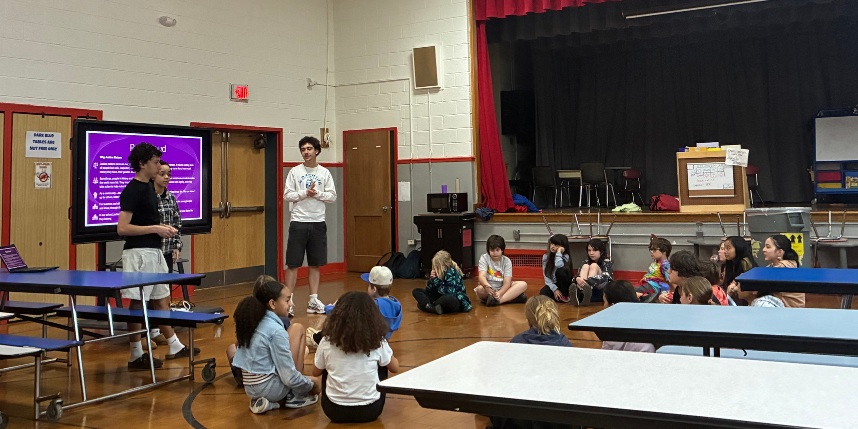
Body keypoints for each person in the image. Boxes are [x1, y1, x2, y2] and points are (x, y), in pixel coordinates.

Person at [117, 143, 194, 369]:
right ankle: (135, 353)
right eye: (155, 162)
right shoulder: (132, 190)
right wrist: (155, 228)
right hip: (138, 253)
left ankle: (174, 344)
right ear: (142, 164)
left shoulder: (150, 189)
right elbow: (122, 228)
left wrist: (160, 229)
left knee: (162, 299)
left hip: (154, 251)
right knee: (138, 303)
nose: (159, 166)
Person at [228, 276, 320, 414]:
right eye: (287, 300)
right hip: (268, 388)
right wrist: (310, 384)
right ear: (272, 303)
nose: (291, 304)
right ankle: (292, 397)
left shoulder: (253, 320)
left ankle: (270, 403)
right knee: (314, 384)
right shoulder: (276, 330)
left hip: (250, 389)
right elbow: (289, 377)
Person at [312, 291, 400, 424]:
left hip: (334, 411)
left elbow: (315, 372)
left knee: (326, 367)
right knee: (383, 365)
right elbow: (395, 368)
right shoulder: (378, 342)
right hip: (371, 410)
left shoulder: (326, 341)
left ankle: (339, 396)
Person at [491, 296, 573, 429]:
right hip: (555, 416)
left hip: (520, 415)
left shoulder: (517, 342)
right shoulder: (565, 344)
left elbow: (505, 379)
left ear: (528, 321)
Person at [283, 136, 337, 316]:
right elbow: (287, 195)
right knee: (293, 263)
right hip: (298, 222)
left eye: (309, 149)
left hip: (318, 222)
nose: (306, 152)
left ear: (317, 151)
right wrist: (305, 193)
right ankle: (288, 301)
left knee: (315, 263)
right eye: (303, 149)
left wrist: (317, 194)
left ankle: (313, 300)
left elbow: (332, 196)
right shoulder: (294, 172)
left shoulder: (325, 173)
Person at [307, 266, 403, 348]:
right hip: (381, 340)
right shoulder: (396, 304)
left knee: (342, 322)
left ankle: (318, 338)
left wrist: (331, 308)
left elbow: (346, 314)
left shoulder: (371, 305)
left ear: (374, 289)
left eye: (369, 285)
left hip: (364, 341)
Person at [150, 160, 182, 347]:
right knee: (150, 292)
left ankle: (159, 329)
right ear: (154, 175)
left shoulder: (171, 197)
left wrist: (177, 245)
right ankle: (151, 331)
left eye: (169, 173)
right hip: (152, 251)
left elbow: (178, 222)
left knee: (163, 292)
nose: (166, 177)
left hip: (167, 251)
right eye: (162, 173)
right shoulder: (148, 197)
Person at [733, 234, 804, 308]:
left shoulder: (785, 268)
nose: (763, 249)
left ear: (780, 252)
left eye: (768, 247)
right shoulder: (772, 267)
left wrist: (739, 284)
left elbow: (759, 280)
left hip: (789, 310)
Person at [601, 281, 655, 352]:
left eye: (604, 302)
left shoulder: (611, 334)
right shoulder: (647, 320)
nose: (603, 306)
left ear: (612, 306)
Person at [412, 250, 472, 315]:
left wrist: (436, 280)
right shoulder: (438, 273)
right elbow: (429, 291)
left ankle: (428, 306)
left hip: (454, 299)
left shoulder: (452, 273)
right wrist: (431, 281)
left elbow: (448, 292)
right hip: (439, 298)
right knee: (416, 291)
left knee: (448, 299)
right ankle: (432, 307)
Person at [476, 235, 528, 306]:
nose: (495, 253)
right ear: (488, 250)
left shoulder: (507, 261)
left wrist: (500, 293)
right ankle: (511, 298)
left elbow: (507, 283)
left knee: (523, 284)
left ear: (502, 250)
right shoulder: (484, 258)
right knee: (479, 290)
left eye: (497, 250)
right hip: (489, 288)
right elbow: (482, 276)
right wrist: (487, 287)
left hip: (503, 288)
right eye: (492, 250)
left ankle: (499, 300)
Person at [572, 239, 613, 306]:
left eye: (595, 250)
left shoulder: (606, 262)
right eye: (589, 250)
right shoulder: (585, 262)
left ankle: (584, 292)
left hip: (602, 291)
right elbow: (575, 278)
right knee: (585, 266)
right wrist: (577, 279)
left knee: (593, 265)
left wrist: (588, 282)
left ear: (601, 252)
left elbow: (607, 277)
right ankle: (583, 294)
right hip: (588, 291)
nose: (591, 253)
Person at [722, 236, 758, 305]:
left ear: (738, 248)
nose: (725, 251)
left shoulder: (745, 262)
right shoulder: (730, 263)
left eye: (728, 248)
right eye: (724, 248)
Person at [634, 237, 671, 303]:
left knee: (631, 292)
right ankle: (643, 296)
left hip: (653, 286)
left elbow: (670, 281)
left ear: (664, 252)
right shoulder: (656, 261)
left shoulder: (665, 265)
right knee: (629, 291)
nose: (651, 252)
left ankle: (648, 297)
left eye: (654, 250)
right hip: (646, 283)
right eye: (651, 249)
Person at [539, 234, 573, 302]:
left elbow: (559, 265)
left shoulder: (565, 256)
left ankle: (566, 295)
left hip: (564, 284)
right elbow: (546, 276)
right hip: (554, 284)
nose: (552, 246)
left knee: (560, 271)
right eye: (552, 244)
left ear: (563, 247)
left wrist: (558, 253)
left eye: (556, 245)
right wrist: (555, 289)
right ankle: (558, 296)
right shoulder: (546, 257)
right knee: (543, 293)